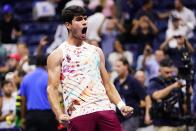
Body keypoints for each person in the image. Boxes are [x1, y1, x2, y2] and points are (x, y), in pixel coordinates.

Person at [47, 5, 133, 131]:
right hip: (79, 113)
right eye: (79, 19)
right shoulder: (57, 55)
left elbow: (107, 84)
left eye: (85, 19)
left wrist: (121, 105)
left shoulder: (96, 51)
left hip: (104, 108)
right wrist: (59, 114)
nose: (84, 22)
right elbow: (52, 89)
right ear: (68, 25)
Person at [19, 56, 58, 131]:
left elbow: (23, 101)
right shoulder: (49, 77)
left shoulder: (26, 78)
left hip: (31, 116)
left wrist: (23, 118)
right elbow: (55, 97)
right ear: (46, 65)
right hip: (47, 116)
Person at [147, 58, 187, 131]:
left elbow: (183, 100)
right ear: (160, 70)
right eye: (167, 72)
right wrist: (173, 86)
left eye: (171, 72)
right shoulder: (155, 82)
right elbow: (156, 95)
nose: (169, 75)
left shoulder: (175, 81)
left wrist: (188, 91)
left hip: (179, 122)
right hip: (163, 124)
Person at [113, 58, 146, 131]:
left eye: (119, 66)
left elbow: (145, 98)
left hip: (132, 117)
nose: (116, 69)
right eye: (115, 66)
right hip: (119, 116)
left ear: (126, 66)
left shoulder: (133, 81)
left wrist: (136, 108)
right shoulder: (116, 81)